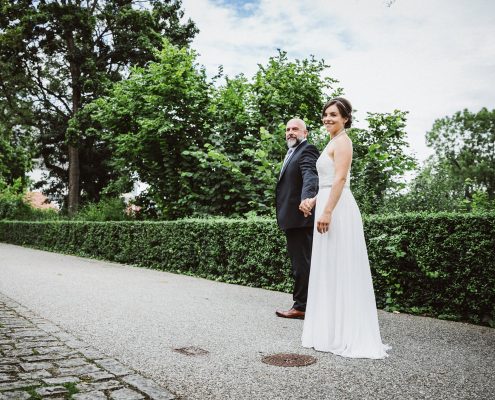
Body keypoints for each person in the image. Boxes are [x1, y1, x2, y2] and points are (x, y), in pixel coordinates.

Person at [299, 98, 390, 359]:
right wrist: (314, 200)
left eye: (333, 115)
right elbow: (328, 182)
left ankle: (344, 333)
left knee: (341, 266)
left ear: (345, 118)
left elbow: (341, 178)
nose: (327, 119)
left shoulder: (343, 142)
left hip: (338, 210)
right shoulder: (331, 141)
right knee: (328, 267)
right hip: (327, 201)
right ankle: (328, 332)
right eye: (325, 114)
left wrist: (327, 210)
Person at [275, 118, 319, 320]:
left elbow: (310, 176)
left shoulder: (307, 150)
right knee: (300, 262)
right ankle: (305, 303)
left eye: (295, 129)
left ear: (305, 133)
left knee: (302, 263)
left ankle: (301, 306)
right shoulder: (292, 152)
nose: (290, 132)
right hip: (292, 218)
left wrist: (307, 200)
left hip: (301, 217)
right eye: (287, 129)